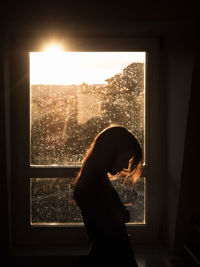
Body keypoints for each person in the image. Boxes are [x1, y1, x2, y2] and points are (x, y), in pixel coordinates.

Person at [74, 126, 143, 266]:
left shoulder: (94, 181)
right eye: (124, 159)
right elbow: (112, 240)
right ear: (109, 153)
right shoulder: (95, 186)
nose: (125, 166)